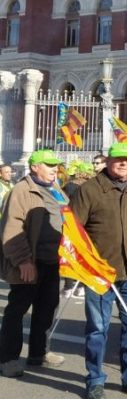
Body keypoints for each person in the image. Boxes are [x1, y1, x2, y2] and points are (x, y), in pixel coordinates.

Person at [70, 142, 127, 399]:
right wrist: (86, 263)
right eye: (118, 159)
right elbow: (74, 230)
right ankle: (95, 379)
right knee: (98, 328)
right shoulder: (89, 190)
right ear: (108, 160)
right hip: (99, 273)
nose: (123, 163)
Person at [0, 150, 66, 378]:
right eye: (49, 165)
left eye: (56, 165)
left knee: (47, 309)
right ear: (35, 166)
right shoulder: (21, 191)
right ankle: (8, 358)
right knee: (17, 310)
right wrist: (24, 261)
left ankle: (39, 353)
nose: (54, 169)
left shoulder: (56, 189)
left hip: (53, 261)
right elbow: (12, 230)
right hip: (30, 262)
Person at [62, 161, 95, 298]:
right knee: (84, 256)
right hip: (86, 225)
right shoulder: (91, 187)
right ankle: (80, 285)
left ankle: (69, 286)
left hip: (70, 222)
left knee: (70, 255)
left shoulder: (68, 186)